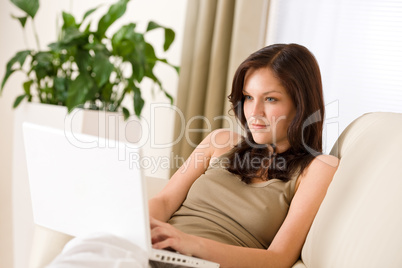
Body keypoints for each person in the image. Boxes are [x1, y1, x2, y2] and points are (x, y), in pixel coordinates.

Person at [149, 43, 339, 268]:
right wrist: (138, 226)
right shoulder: (220, 141)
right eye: (248, 97)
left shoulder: (317, 169)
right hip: (154, 254)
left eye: (270, 99)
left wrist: (191, 245)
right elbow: (165, 200)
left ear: (301, 104)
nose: (254, 112)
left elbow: (278, 259)